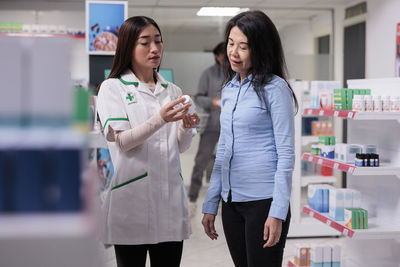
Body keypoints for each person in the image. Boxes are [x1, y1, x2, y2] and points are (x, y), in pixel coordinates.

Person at [96, 16, 199, 267]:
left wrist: (185, 128)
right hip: (133, 202)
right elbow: (124, 142)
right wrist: (161, 118)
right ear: (129, 47)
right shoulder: (113, 88)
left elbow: (180, 146)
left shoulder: (172, 90)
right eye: (145, 43)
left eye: (158, 41)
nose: (154, 49)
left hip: (170, 201)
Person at [201, 10, 298, 267]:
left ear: (261, 49)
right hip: (231, 202)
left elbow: (286, 154)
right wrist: (211, 202)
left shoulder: (275, 89)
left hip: (263, 202)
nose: (233, 52)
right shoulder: (230, 88)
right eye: (231, 44)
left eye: (243, 46)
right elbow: (223, 150)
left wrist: (277, 212)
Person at [187, 42, 225, 215]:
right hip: (211, 124)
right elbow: (199, 98)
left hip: (232, 128)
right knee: (201, 162)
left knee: (229, 164)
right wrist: (213, 102)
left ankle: (227, 200)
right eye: (224, 54)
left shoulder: (239, 73)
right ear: (217, 56)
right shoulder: (208, 74)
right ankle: (192, 199)